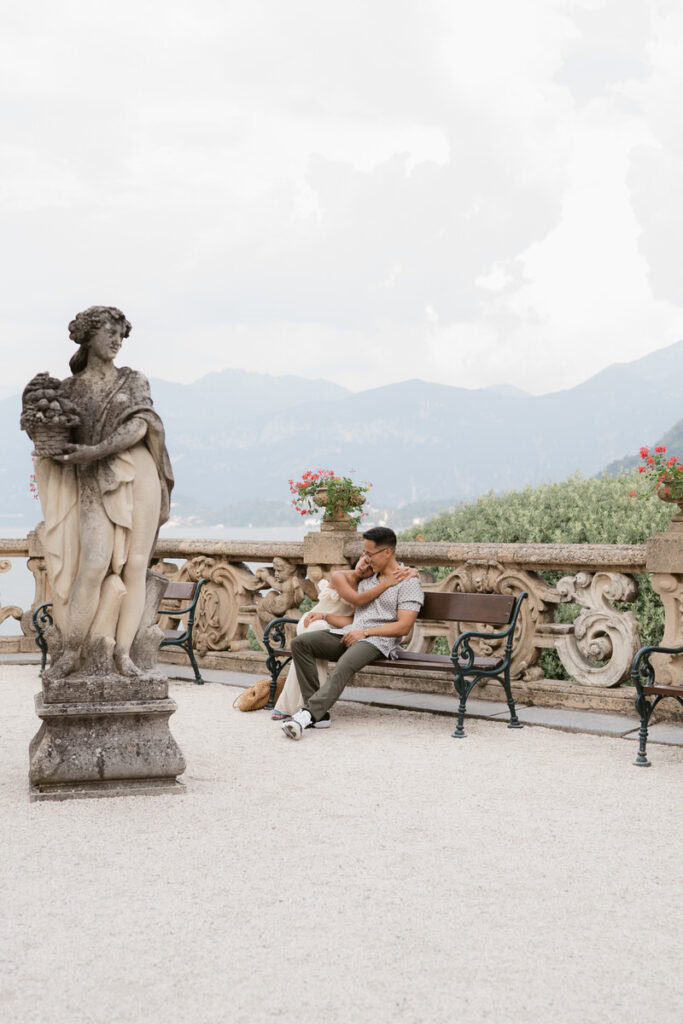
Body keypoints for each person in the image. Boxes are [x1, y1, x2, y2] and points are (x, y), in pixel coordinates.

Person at [29, 305, 174, 679]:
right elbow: (57, 441)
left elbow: (143, 425)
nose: (116, 340)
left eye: (121, 335)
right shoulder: (68, 389)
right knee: (94, 563)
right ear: (88, 335)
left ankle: (124, 653)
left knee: (136, 566)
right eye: (109, 332)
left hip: (138, 473)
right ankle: (72, 651)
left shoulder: (133, 380)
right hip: (94, 480)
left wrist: (94, 450)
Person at [281, 527, 424, 739]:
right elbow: (358, 617)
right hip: (351, 633)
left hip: (378, 641)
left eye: (369, 554)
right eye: (364, 553)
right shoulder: (368, 580)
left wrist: (365, 633)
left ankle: (306, 715)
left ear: (387, 553)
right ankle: (318, 716)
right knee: (301, 643)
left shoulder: (409, 583)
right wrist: (326, 617)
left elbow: (404, 627)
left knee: (345, 664)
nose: (365, 559)